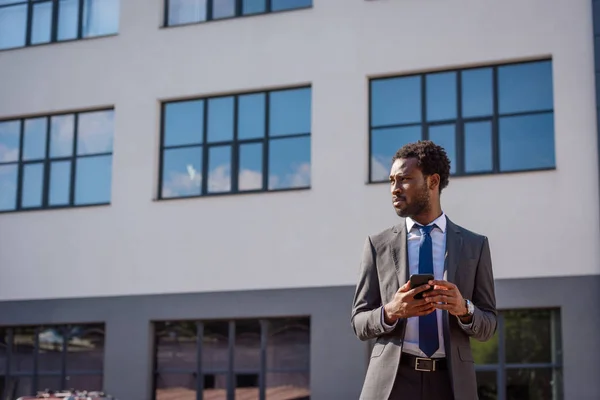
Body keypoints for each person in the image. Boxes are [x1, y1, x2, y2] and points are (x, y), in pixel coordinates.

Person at [351, 140, 497, 400]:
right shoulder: (378, 245)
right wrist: (391, 311)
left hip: (450, 385)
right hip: (392, 384)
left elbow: (488, 325)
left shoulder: (475, 245)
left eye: (405, 179)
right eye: (392, 181)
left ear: (433, 181)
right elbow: (359, 322)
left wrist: (464, 309)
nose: (395, 189)